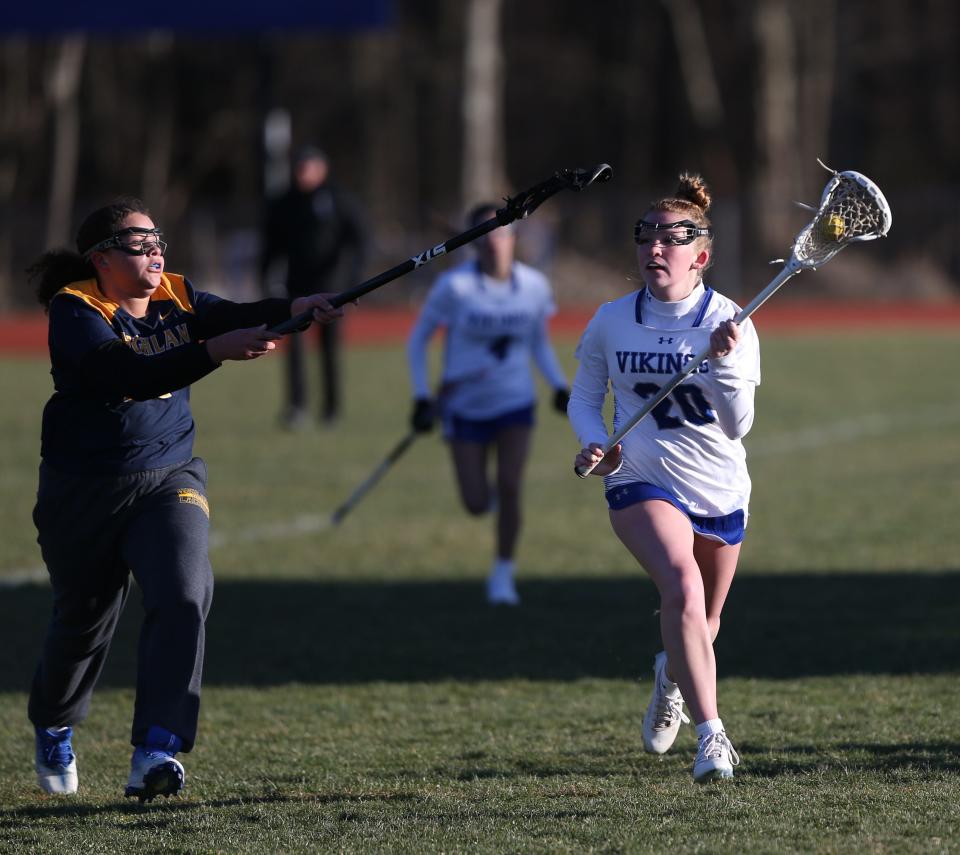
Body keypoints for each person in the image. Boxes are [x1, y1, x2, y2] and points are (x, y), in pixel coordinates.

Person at [26, 197, 342, 801]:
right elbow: (128, 374)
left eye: (157, 240)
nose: (154, 252)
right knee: (83, 623)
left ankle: (156, 750)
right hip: (82, 491)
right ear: (102, 260)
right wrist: (212, 353)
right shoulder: (75, 310)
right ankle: (55, 720)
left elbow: (236, 313)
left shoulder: (177, 292)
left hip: (169, 478)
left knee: (184, 594)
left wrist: (296, 308)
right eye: (138, 243)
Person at [567, 173, 760, 782]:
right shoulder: (611, 320)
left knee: (704, 625)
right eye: (646, 236)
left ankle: (669, 675)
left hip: (719, 487)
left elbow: (737, 425)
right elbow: (583, 396)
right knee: (680, 584)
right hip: (639, 479)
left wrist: (723, 363)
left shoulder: (731, 320)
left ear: (699, 256)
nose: (655, 248)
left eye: (671, 239)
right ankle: (714, 737)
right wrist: (595, 440)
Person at [407, 203, 571, 606]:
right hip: (464, 406)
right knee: (477, 503)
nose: (493, 242)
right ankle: (494, 511)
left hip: (515, 402)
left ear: (513, 238)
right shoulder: (454, 288)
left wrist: (558, 385)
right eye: (483, 235)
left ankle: (503, 574)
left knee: (512, 485)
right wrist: (422, 397)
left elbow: (538, 342)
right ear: (470, 243)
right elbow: (418, 340)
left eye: (500, 232)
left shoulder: (534, 286)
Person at [260, 145, 368, 429]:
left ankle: (331, 409)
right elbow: (271, 245)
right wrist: (266, 277)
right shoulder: (284, 202)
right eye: (299, 168)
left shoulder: (338, 198)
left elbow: (359, 239)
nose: (303, 173)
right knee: (293, 348)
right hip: (296, 288)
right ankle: (297, 407)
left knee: (329, 348)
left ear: (323, 169)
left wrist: (351, 280)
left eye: (309, 167)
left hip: (332, 288)